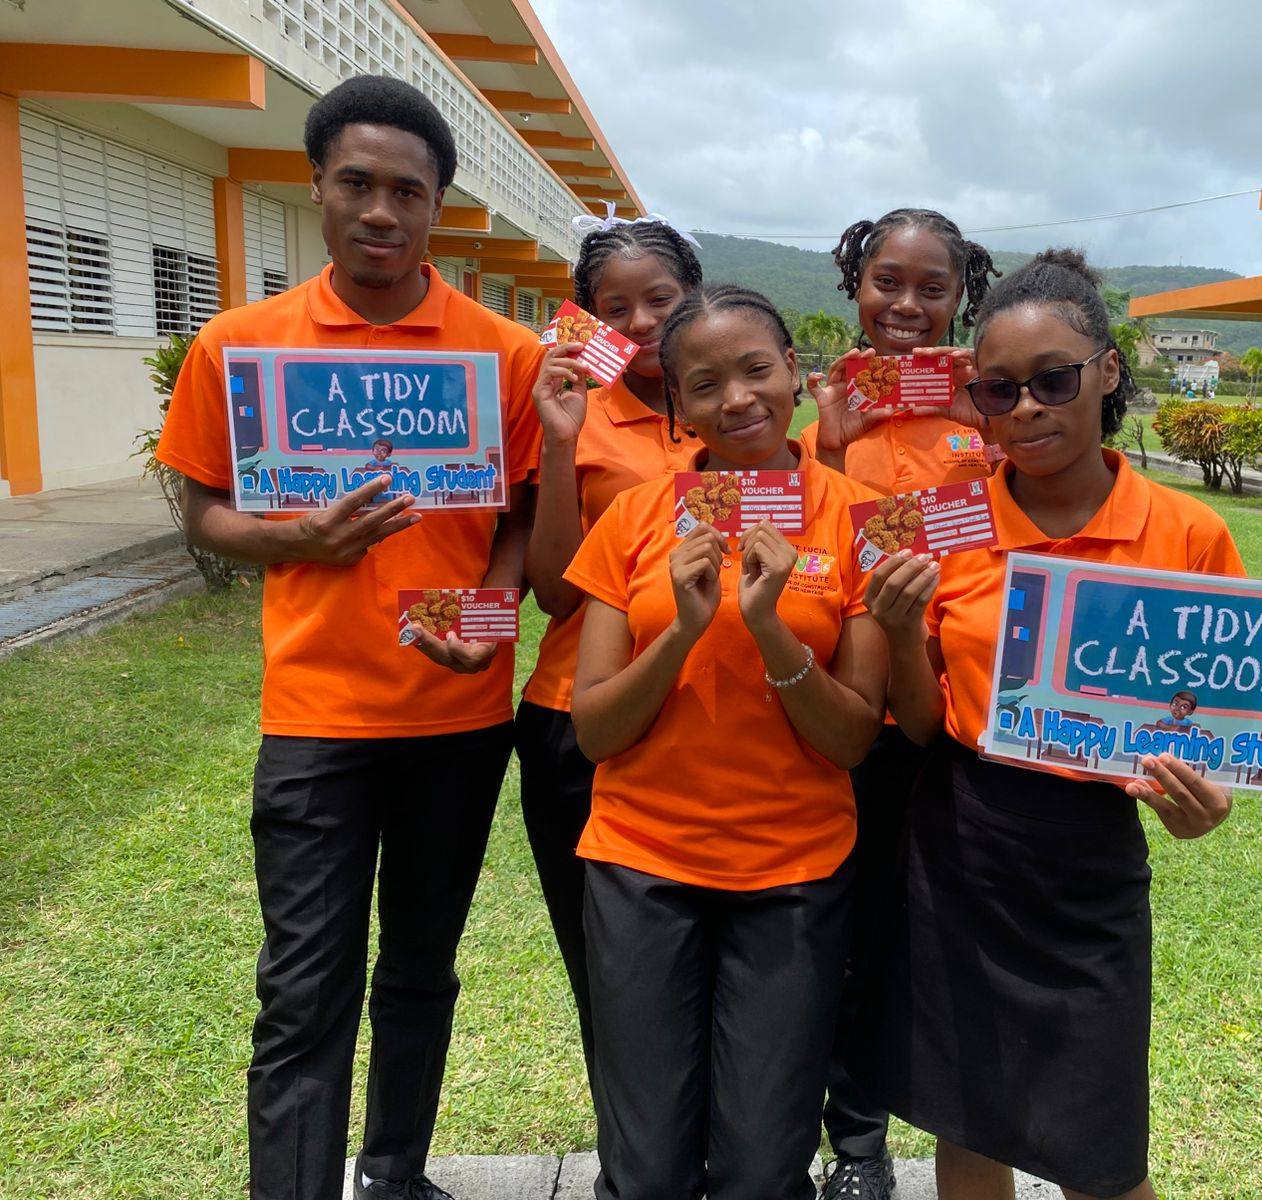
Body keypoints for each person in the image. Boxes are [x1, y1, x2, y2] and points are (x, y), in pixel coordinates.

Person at [154, 76, 541, 1200]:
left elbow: (518, 516)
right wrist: (300, 540)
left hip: (458, 720)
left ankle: (395, 1174)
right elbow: (205, 514)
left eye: (406, 192)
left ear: (436, 206)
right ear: (316, 187)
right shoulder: (242, 347)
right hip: (316, 720)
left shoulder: (502, 355)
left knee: (421, 970)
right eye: (357, 184)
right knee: (304, 987)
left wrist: (491, 618)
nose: (381, 210)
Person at [857, 248, 1244, 1200]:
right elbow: (921, 725)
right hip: (960, 843)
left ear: (1107, 372)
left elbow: (1219, 738)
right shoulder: (945, 524)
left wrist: (1204, 802)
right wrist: (901, 633)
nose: (1026, 409)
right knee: (967, 1121)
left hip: (1089, 862)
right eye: (999, 390)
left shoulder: (1187, 534)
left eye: (1052, 381)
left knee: (1100, 1152)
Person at [566, 285, 888, 1199]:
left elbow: (853, 739)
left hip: (795, 871)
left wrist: (771, 627)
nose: (737, 399)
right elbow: (594, 730)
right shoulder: (634, 518)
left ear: (793, 370)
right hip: (641, 863)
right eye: (703, 385)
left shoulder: (862, 518)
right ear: (677, 403)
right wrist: (683, 628)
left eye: (756, 370)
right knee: (647, 1169)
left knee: (761, 1166)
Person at [798, 208, 999, 1199]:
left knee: (941, 940)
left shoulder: (989, 411)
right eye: (887, 281)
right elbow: (809, 558)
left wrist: (986, 432)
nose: (908, 304)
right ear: (856, 285)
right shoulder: (821, 424)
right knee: (843, 933)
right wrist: (833, 455)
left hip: (968, 723)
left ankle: (964, 1120)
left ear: (961, 294)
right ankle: (858, 1145)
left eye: (933, 286)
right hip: (857, 721)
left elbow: (1022, 537)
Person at [518, 212, 704, 1082]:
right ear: (585, 319)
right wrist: (560, 442)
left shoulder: (737, 408)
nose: (641, 323)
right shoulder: (574, 413)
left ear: (694, 297)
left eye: (660, 299)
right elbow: (555, 593)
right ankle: (631, 1143)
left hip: (717, 716)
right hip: (579, 720)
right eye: (615, 308)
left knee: (710, 957)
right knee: (607, 969)